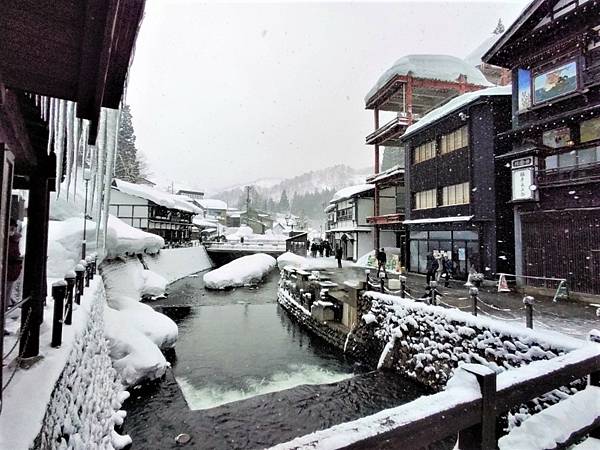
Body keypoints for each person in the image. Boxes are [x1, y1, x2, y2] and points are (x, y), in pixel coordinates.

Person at [6, 219, 23, 310]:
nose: (12, 230)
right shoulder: (11, 240)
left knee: (7, 294)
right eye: (11, 228)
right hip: (9, 271)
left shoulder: (15, 240)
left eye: (14, 228)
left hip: (11, 272)